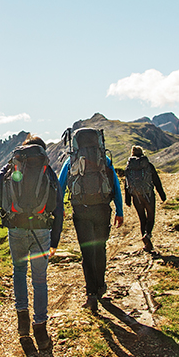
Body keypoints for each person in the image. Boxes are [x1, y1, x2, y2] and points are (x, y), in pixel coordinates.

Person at [0, 134, 63, 351]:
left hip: (17, 229)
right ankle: (40, 329)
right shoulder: (47, 170)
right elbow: (57, 206)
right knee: (39, 280)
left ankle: (22, 323)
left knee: (19, 271)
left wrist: (9, 208)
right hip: (41, 231)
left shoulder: (13, 167)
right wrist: (55, 240)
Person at [57, 129, 123, 314]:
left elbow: (61, 184)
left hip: (81, 211)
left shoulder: (71, 161)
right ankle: (101, 286)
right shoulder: (104, 159)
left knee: (87, 252)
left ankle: (91, 294)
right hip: (103, 209)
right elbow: (115, 184)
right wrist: (119, 210)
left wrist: (60, 207)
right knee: (100, 248)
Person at [124, 145, 166, 253]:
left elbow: (127, 183)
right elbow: (156, 180)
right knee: (151, 217)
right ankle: (148, 235)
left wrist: (127, 200)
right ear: (142, 152)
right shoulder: (148, 165)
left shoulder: (129, 167)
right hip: (149, 195)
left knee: (142, 219)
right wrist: (162, 195)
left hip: (136, 197)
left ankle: (145, 241)